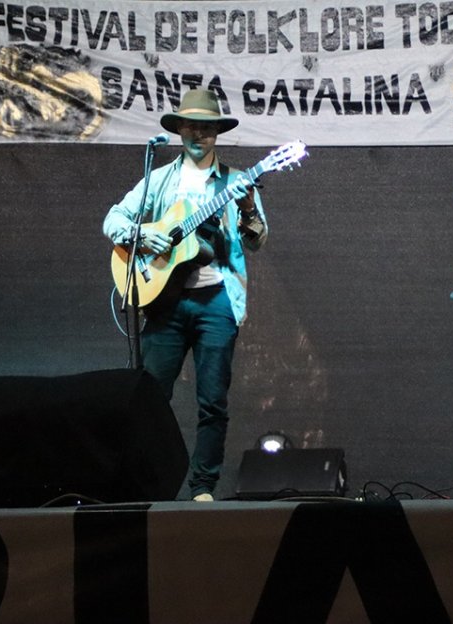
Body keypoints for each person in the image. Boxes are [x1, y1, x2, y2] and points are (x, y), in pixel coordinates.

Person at [103, 89, 267, 501]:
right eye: (191, 126)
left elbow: (258, 239)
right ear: (178, 131)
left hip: (217, 302)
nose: (199, 134)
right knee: (151, 398)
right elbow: (113, 219)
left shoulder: (236, 181)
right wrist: (147, 236)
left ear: (217, 133)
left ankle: (202, 488)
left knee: (212, 401)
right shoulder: (159, 179)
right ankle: (146, 483)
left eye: (207, 127)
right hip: (165, 302)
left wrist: (247, 208)